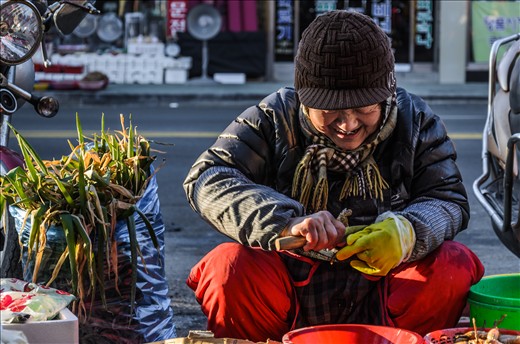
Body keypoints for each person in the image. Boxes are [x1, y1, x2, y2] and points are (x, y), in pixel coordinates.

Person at [183, 10, 484, 343]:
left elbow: (448, 198)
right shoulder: (272, 117)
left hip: (384, 296)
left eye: (365, 108)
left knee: (451, 264)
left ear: (386, 96)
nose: (349, 124)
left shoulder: (415, 120)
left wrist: (409, 231)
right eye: (331, 111)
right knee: (227, 266)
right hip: (289, 298)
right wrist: (285, 222)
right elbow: (207, 179)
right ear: (304, 99)